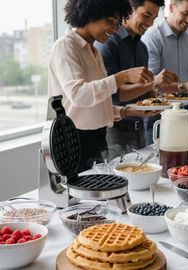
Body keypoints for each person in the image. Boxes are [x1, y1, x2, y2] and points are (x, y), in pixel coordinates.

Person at [48, 0, 158, 173]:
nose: (115, 29)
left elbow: (95, 104)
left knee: (98, 196)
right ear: (91, 13)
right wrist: (124, 76)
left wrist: (128, 111)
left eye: (117, 23)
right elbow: (79, 95)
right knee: (77, 198)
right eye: (110, 21)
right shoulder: (65, 46)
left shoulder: (94, 51)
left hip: (97, 138)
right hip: (72, 140)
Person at [95, 0, 178, 153]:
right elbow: (115, 95)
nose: (150, 23)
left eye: (154, 18)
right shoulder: (108, 44)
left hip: (141, 130)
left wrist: (157, 89)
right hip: (116, 132)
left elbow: (145, 94)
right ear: (130, 9)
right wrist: (153, 83)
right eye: (146, 16)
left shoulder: (142, 48)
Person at [141, 0, 188, 125]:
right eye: (185, 13)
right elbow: (149, 83)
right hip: (158, 113)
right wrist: (183, 87)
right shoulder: (153, 38)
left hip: (185, 110)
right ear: (171, 7)